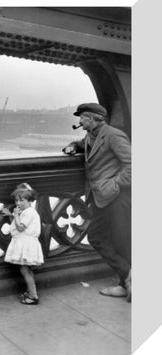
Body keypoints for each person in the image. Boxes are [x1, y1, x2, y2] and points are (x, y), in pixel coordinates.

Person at [63, 103, 131, 302]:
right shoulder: (91, 135)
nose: (80, 121)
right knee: (97, 237)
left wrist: (115, 184)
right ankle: (127, 277)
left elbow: (134, 165)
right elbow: (84, 145)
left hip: (117, 197)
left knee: (121, 240)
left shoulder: (114, 136)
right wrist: (73, 146)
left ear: (92, 118)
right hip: (102, 198)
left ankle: (126, 282)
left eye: (82, 117)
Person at [1, 183, 44, 305]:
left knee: (25, 271)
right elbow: (17, 223)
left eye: (22, 200)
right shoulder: (26, 212)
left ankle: (33, 296)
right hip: (25, 243)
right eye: (16, 200)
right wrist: (12, 215)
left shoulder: (30, 212)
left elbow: (20, 227)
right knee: (27, 270)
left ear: (30, 200)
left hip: (27, 244)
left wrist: (14, 214)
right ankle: (31, 292)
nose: (18, 203)